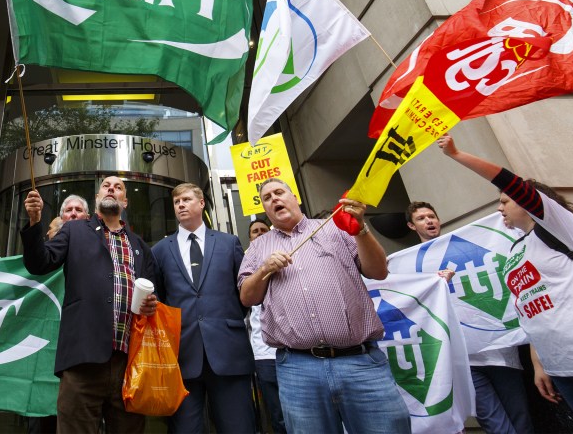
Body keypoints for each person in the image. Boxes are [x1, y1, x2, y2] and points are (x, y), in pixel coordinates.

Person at [437, 133, 573, 428]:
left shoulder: (562, 229)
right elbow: (530, 309)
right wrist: (539, 362)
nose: (499, 208)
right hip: (562, 369)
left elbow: (513, 183)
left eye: (505, 201)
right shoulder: (515, 250)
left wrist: (458, 155)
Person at [238, 178, 410, 434]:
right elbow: (247, 298)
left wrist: (360, 228)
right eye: (267, 198)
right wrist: (264, 269)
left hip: (360, 364)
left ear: (295, 197)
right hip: (298, 370)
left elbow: (378, 271)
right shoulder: (258, 247)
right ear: (265, 208)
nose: (274, 199)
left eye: (279, 192)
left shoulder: (333, 228)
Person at [22, 176, 158, 434]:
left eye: (118, 187)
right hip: (82, 360)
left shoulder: (140, 246)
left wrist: (152, 303)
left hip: (130, 363)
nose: (111, 189)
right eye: (106, 186)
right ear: (97, 198)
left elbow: (153, 294)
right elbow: (40, 262)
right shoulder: (74, 230)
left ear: (125, 201)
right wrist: (34, 221)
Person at [406, 201, 533, 434]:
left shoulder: (466, 247)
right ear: (411, 226)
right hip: (465, 359)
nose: (429, 221)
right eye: (421, 218)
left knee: (520, 416)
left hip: (501, 352)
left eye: (431, 216)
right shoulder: (412, 267)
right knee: (493, 422)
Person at [151, 183, 254, 433]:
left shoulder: (229, 243)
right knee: (185, 429)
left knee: (238, 427)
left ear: (201, 203)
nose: (181, 205)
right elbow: (161, 301)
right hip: (182, 356)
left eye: (186, 199)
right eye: (177, 202)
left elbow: (243, 295)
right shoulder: (160, 250)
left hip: (228, 351)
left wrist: (220, 321)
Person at [247, 219, 287, 434]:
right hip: (264, 354)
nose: (260, 233)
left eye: (264, 230)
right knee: (277, 415)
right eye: (255, 231)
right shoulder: (245, 263)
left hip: (293, 351)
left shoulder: (286, 255)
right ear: (250, 238)